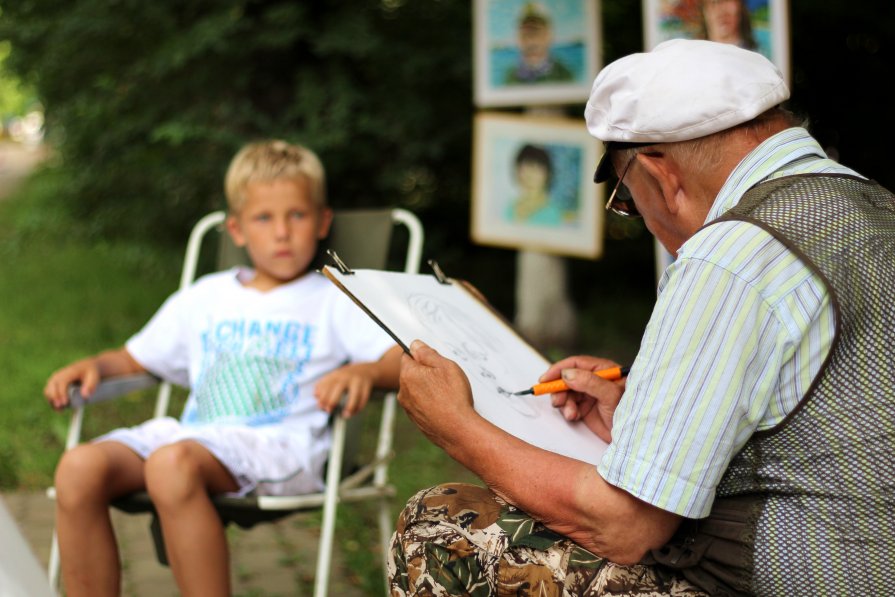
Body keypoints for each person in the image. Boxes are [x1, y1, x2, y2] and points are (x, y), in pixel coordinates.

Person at [389, 39, 895, 596]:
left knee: (440, 523)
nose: (646, 222)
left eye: (627, 201)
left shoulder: (729, 256)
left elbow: (624, 524)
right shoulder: (873, 205)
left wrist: (457, 427)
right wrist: (645, 415)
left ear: (660, 174)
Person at [44, 139, 403, 597]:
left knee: (170, 464)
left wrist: (367, 373)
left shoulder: (335, 298)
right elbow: (138, 356)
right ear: (235, 229)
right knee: (78, 467)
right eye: (263, 218)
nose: (281, 233)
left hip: (279, 446)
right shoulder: (208, 294)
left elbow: (402, 358)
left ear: (323, 222)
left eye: (296, 215)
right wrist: (95, 365)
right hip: (195, 437)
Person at [505, 2, 574, 85]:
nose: (531, 41)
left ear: (548, 36)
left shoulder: (565, 75)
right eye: (525, 34)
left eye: (536, 32)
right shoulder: (509, 76)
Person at [507, 143, 563, 225]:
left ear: (547, 174)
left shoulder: (552, 213)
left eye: (537, 169)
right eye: (527, 167)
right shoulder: (510, 209)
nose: (530, 174)